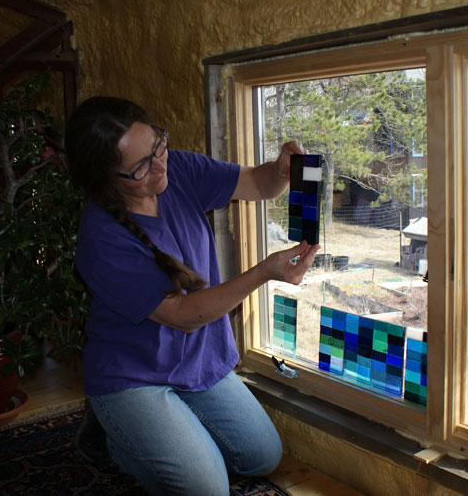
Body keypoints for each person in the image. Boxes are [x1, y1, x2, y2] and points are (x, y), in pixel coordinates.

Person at [64, 96, 319, 496]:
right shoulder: (100, 238)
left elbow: (257, 183)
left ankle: (165, 429)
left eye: (158, 146)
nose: (159, 165)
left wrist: (280, 170)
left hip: (197, 359)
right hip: (132, 373)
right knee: (207, 490)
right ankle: (115, 434)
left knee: (261, 457)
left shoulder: (176, 167)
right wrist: (263, 273)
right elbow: (183, 314)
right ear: (106, 179)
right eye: (141, 166)